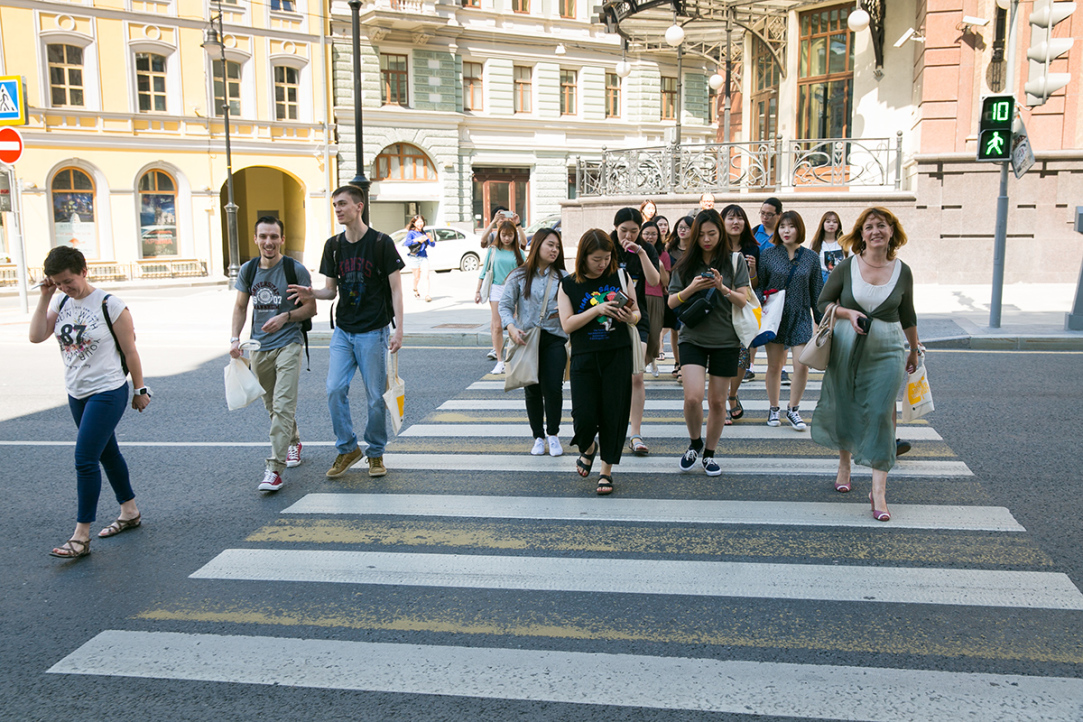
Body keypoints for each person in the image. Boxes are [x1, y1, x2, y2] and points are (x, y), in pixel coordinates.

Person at [29, 246, 151, 559]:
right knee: (107, 453)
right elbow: (36, 335)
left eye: (68, 281)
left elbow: (131, 351)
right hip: (77, 392)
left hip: (108, 391)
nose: (64, 287)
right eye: (57, 282)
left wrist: (140, 389)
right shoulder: (60, 301)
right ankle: (130, 511)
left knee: (85, 459)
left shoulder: (111, 305)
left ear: (84, 272)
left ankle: (81, 536)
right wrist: (45, 296)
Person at [287, 185, 405, 480]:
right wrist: (311, 292)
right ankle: (348, 448)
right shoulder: (333, 245)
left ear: (359, 206)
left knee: (375, 397)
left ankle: (375, 452)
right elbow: (330, 290)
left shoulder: (381, 243)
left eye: (342, 204)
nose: (338, 209)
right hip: (343, 331)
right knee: (334, 388)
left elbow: (396, 290)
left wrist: (399, 330)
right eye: (335, 205)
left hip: (373, 331)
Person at [812, 207, 919, 521]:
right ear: (861, 233)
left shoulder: (903, 271)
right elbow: (822, 302)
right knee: (846, 403)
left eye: (881, 225)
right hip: (847, 346)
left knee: (881, 413)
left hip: (888, 348)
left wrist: (914, 350)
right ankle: (844, 464)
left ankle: (878, 491)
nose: (876, 231)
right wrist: (847, 313)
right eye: (869, 226)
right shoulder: (847, 267)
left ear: (891, 231)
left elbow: (908, 315)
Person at [231, 216, 317, 493]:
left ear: (282, 239)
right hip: (259, 346)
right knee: (271, 406)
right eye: (263, 236)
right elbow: (240, 307)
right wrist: (235, 339)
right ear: (256, 239)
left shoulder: (295, 270)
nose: (269, 242)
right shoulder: (248, 270)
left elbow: (311, 308)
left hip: (290, 342)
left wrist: (285, 317)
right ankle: (293, 441)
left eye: (274, 236)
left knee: (283, 405)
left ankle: (274, 469)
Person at [668, 210, 751, 476]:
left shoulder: (735, 261)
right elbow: (672, 302)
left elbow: (743, 300)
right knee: (693, 397)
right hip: (692, 337)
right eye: (701, 234)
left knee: (717, 402)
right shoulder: (685, 263)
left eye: (712, 234)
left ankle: (710, 454)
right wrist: (692, 288)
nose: (706, 239)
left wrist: (722, 287)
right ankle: (695, 442)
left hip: (726, 339)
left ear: (720, 233)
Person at [558, 229, 640, 495]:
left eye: (606, 257)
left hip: (617, 354)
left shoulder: (620, 276)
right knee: (583, 416)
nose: (603, 263)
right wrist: (597, 309)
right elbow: (567, 325)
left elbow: (637, 313)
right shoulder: (569, 284)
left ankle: (606, 471)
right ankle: (588, 446)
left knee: (613, 414)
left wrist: (629, 317)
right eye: (596, 259)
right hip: (584, 357)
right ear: (583, 257)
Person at [500, 228, 568, 456]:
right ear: (537, 245)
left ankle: (553, 434)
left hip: (555, 338)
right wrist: (511, 327)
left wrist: (564, 311)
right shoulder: (519, 276)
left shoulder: (563, 277)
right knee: (532, 388)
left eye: (557, 246)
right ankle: (538, 437)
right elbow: (505, 306)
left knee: (553, 388)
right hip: (527, 338)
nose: (554, 250)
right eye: (550, 245)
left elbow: (575, 304)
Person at [757, 210, 824, 430]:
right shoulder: (768, 255)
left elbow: (817, 292)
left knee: (801, 365)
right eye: (783, 226)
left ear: (799, 229)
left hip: (801, 315)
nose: (786, 231)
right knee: (775, 366)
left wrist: (822, 322)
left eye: (791, 226)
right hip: (775, 317)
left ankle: (793, 409)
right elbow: (759, 286)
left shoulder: (811, 257)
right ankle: (773, 408)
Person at [611, 207, 660, 457]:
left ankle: (636, 433)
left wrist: (640, 251)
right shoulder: (606, 245)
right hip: (607, 317)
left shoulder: (646, 248)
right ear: (615, 228)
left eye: (634, 231)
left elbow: (654, 280)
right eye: (623, 231)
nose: (628, 236)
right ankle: (609, 428)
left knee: (636, 375)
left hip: (637, 317)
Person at [714, 205, 760, 425]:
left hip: (741, 306)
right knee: (720, 357)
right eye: (730, 218)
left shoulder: (752, 248)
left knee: (743, 356)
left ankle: (732, 394)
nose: (735, 222)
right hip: (719, 308)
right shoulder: (715, 248)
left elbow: (755, 285)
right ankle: (721, 402)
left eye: (739, 218)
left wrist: (752, 270)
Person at [476, 219, 526, 374]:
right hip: (496, 289)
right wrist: (477, 291)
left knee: (513, 325)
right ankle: (499, 360)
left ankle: (512, 358)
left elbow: (526, 273)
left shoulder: (519, 252)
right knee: (497, 325)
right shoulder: (493, 250)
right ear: (499, 235)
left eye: (510, 235)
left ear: (514, 236)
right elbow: (484, 271)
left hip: (514, 290)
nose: (507, 238)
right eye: (504, 235)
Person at [638, 220, 670, 377]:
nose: (650, 237)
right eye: (646, 234)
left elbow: (666, 282)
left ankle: (650, 360)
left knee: (654, 333)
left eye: (653, 234)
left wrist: (660, 266)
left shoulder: (663, 255)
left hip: (656, 297)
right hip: (639, 296)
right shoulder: (634, 251)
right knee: (640, 334)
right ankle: (640, 366)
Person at [664, 215, 694, 379]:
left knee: (685, 328)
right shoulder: (670, 249)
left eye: (687, 228)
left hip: (691, 293)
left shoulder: (695, 250)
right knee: (675, 328)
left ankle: (686, 364)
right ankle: (678, 362)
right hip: (672, 293)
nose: (683, 230)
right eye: (680, 227)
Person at [402, 214, 435, 302]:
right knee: (417, 277)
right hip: (414, 257)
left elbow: (432, 244)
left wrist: (430, 238)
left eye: (421, 222)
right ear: (414, 223)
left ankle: (427, 295)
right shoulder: (411, 233)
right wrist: (417, 240)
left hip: (423, 257)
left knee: (426, 276)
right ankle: (415, 288)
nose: (420, 224)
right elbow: (407, 243)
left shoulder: (424, 233)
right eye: (418, 222)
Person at [810, 210, 848, 285]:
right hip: (821, 280)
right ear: (823, 224)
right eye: (828, 221)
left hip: (840, 279)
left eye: (835, 222)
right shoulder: (815, 244)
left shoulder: (844, 243)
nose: (831, 224)